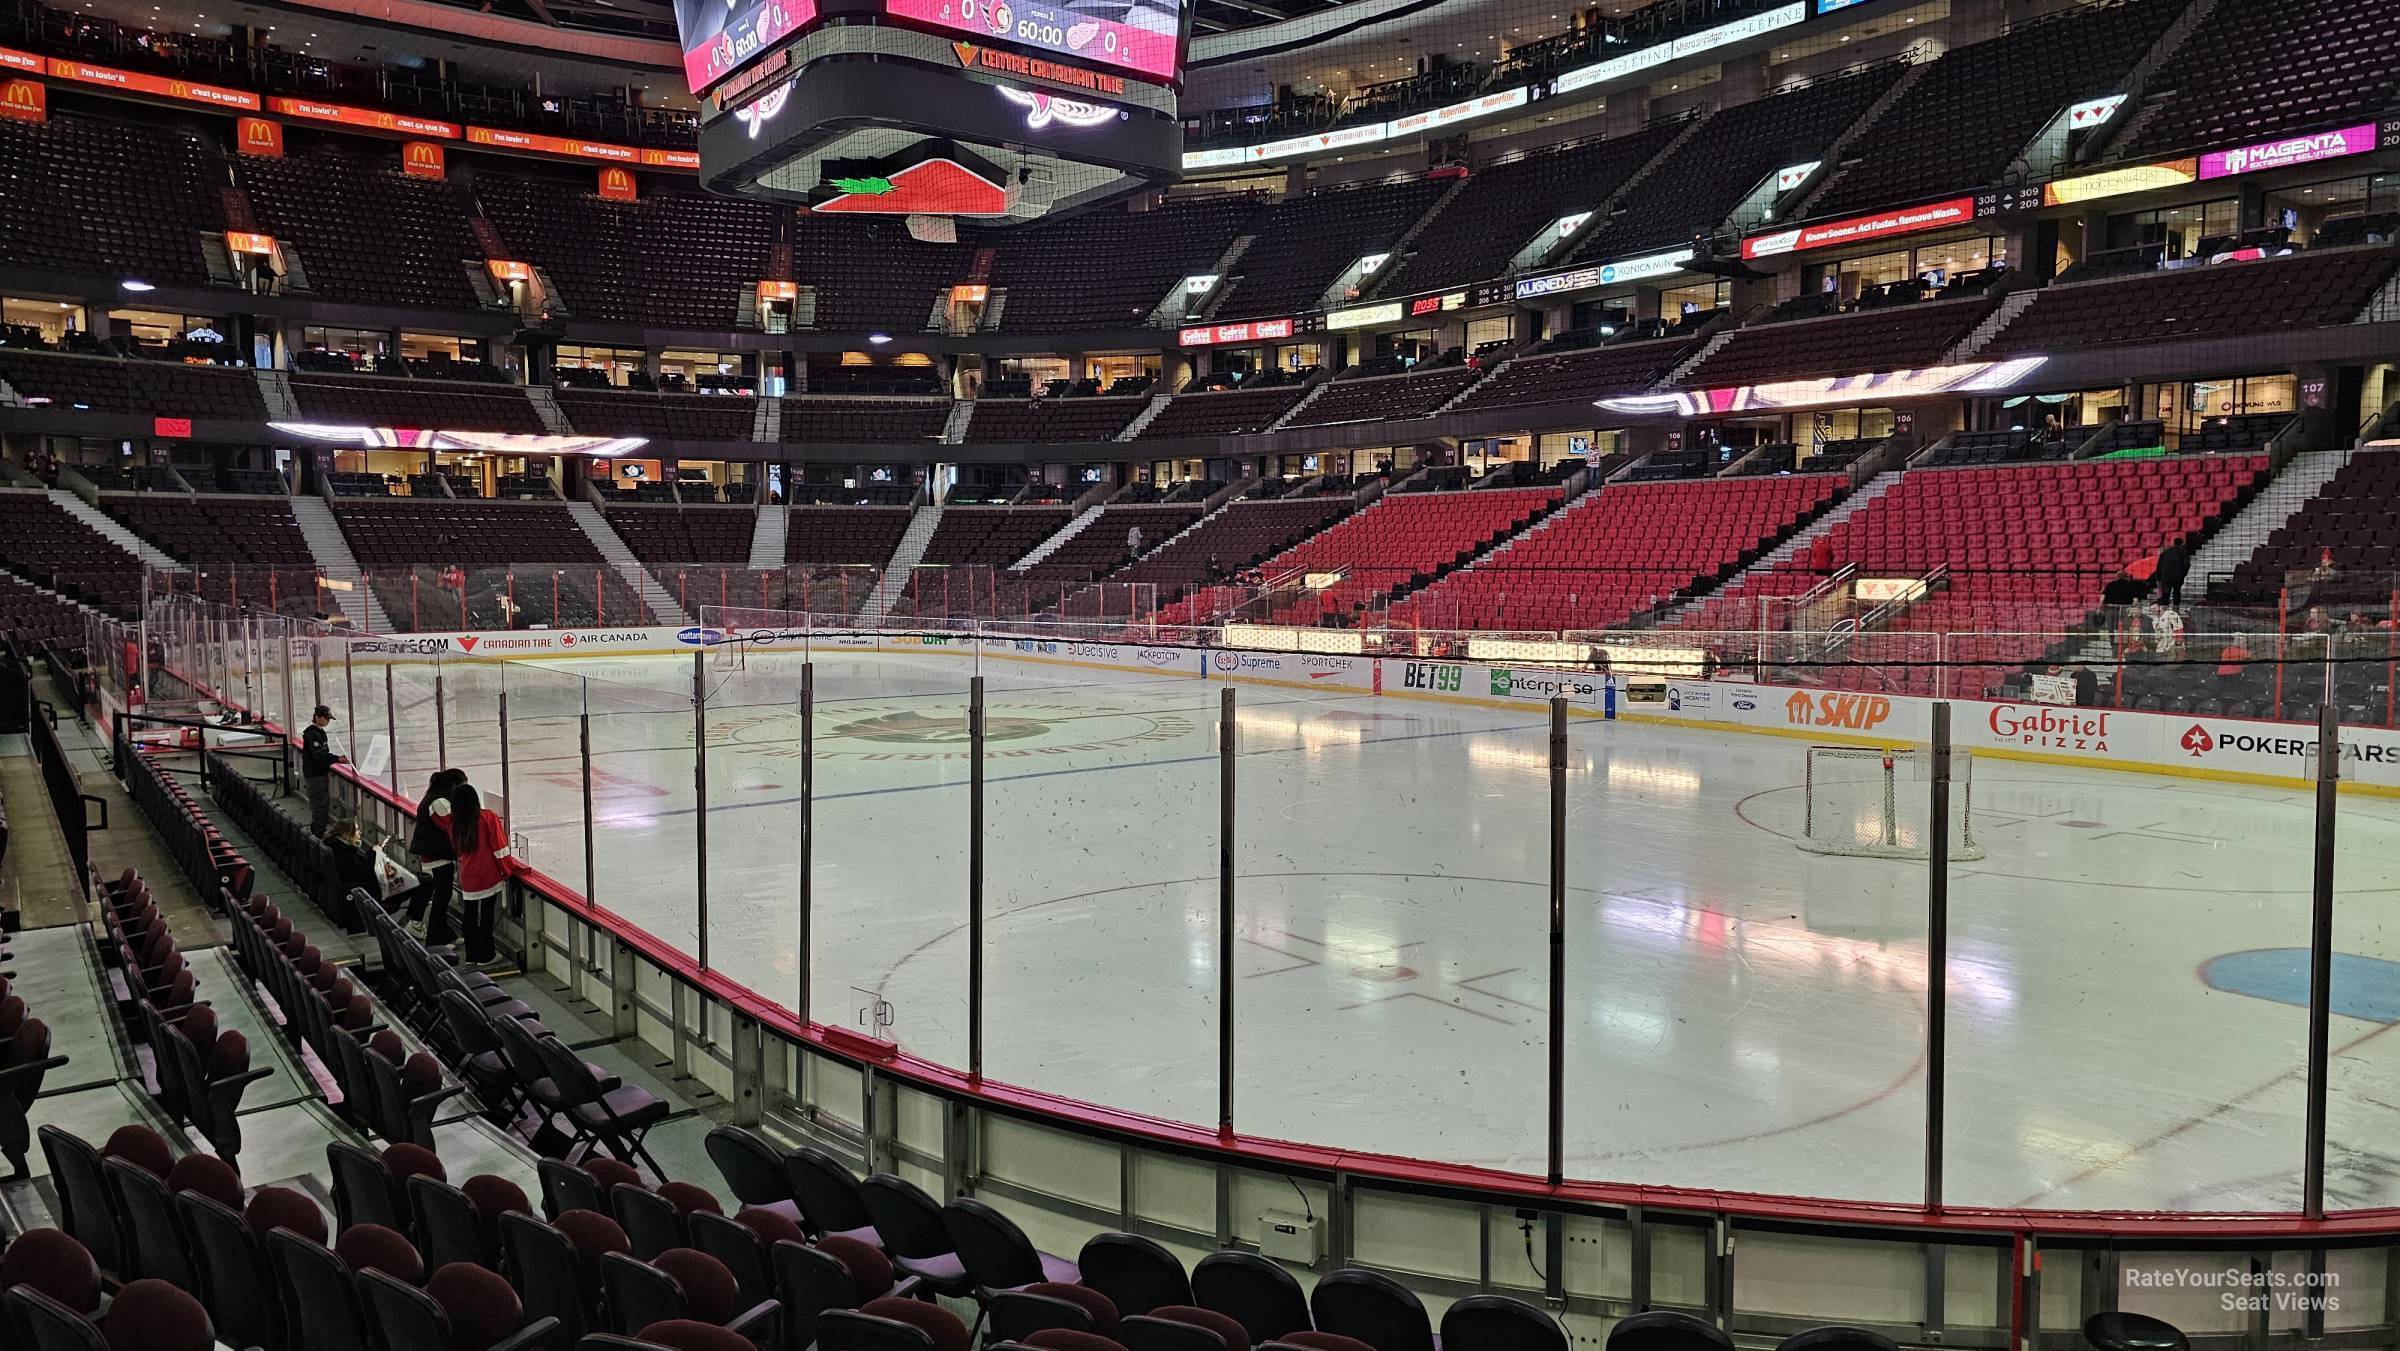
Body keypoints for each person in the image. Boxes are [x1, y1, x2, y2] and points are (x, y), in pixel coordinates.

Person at [439, 783, 517, 966]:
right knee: (487, 915)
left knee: (470, 915)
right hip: (487, 874)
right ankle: (486, 954)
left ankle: (472, 954)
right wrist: (507, 870)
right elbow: (499, 848)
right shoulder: (487, 817)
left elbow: (457, 850)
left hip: (468, 875)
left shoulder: (454, 824)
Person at [409, 768, 466, 944]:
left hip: (437, 855)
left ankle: (445, 933)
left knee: (443, 897)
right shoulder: (439, 802)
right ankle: (436, 939)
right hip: (437, 857)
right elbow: (452, 827)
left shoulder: (434, 798)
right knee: (442, 899)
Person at [301, 704, 342, 836]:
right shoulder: (312, 734)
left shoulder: (319, 733)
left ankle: (317, 832)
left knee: (320, 806)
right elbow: (319, 756)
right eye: (325, 718)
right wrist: (337, 759)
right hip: (316, 777)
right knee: (320, 807)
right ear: (317, 717)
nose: (328, 721)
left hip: (319, 775)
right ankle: (318, 835)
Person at [325, 820, 381, 908]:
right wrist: (373, 855)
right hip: (357, 892)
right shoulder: (345, 855)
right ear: (346, 834)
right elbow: (365, 875)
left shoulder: (335, 847)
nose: (360, 833)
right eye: (357, 830)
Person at [2155, 537, 2190, 610]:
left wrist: (2158, 578)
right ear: (2182, 544)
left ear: (2173, 543)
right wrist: (2182, 574)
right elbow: (2187, 565)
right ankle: (2176, 609)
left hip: (2165, 576)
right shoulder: (2183, 552)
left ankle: (2164, 610)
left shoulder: (2165, 553)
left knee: (2165, 593)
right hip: (2177, 576)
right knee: (2176, 592)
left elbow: (2158, 566)